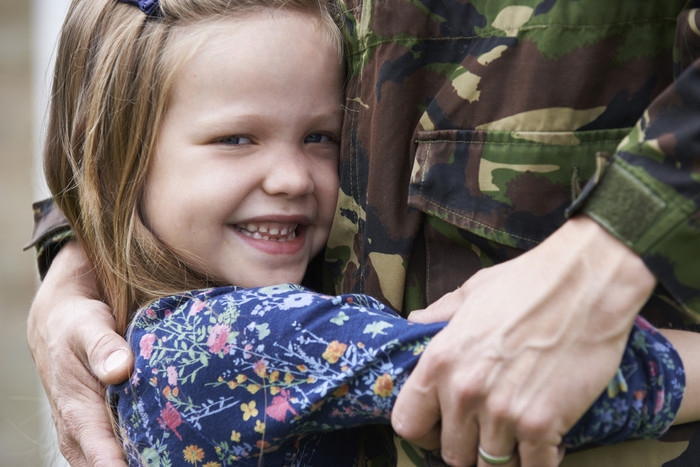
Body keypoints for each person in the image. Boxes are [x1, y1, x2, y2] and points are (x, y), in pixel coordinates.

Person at [26, 0, 700, 466]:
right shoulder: (226, 343)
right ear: (115, 156)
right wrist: (72, 252)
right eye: (236, 139)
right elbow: (493, 372)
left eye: (323, 136)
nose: (292, 177)